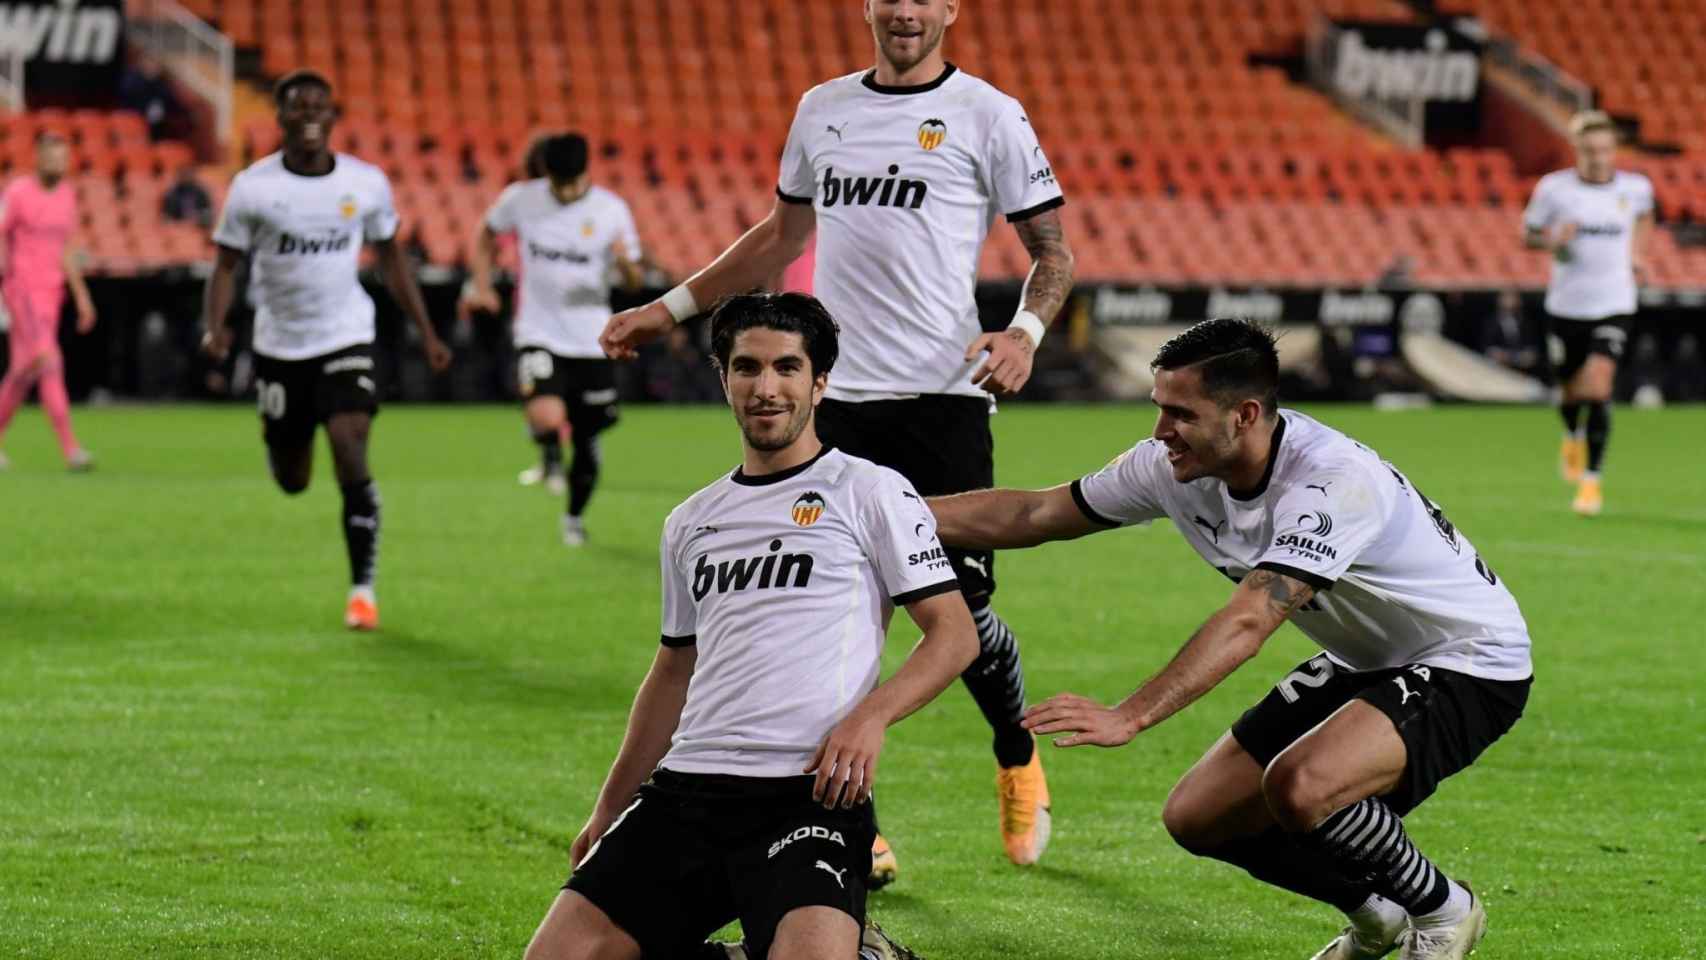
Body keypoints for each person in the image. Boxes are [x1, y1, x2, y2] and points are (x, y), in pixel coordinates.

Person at [599, 0, 1076, 878]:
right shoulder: (822, 109)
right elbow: (782, 237)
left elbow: (1052, 252)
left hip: (941, 400)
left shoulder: (989, 114)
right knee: (823, 613)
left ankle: (1015, 752)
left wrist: (1024, 336)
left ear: (949, 9)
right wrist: (666, 309)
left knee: (959, 615)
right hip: (837, 401)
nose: (904, 11)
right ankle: (854, 816)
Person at [927, 318, 1534, 960]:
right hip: (1368, 657)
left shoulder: (1332, 483)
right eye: (1159, 409)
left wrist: (1131, 714)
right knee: (1198, 816)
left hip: (1469, 659)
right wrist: (888, 510)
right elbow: (1035, 513)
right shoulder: (1170, 466)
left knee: (1302, 788)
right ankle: (1377, 915)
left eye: (1181, 414)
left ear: (1244, 414)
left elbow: (1250, 621)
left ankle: (1443, 910)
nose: (1161, 431)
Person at [524, 291, 976, 960]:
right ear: (723, 377)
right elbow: (673, 669)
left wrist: (869, 718)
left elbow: (953, 633)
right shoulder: (690, 520)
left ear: (820, 384)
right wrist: (610, 806)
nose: (766, 388)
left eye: (787, 368)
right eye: (747, 368)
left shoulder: (869, 490)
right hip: (688, 790)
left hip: (809, 794)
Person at [200, 69, 453, 630]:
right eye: (297, 105)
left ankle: (362, 589)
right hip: (279, 346)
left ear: (332, 117)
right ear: (282, 117)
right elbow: (225, 265)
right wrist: (215, 326)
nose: (309, 113)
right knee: (293, 479)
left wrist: (426, 331)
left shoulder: (364, 183)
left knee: (349, 439)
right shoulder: (253, 187)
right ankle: (283, 441)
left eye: (320, 105)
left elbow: (390, 259)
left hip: (345, 334)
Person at [463, 134, 642, 545]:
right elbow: (485, 233)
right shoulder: (522, 199)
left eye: (571, 183)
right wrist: (481, 284)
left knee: (587, 438)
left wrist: (622, 264)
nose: (564, 191)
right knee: (546, 416)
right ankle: (547, 454)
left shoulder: (611, 210)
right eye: (557, 182)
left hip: (592, 338)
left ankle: (574, 518)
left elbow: (633, 280)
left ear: (586, 173)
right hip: (538, 331)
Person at [1522, 109, 1652, 516]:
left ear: (1615, 150)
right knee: (1571, 391)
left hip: (1615, 302)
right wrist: (1551, 241)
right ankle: (1571, 432)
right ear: (1576, 149)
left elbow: (1645, 218)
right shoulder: (1554, 190)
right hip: (1567, 305)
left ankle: (1591, 483)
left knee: (1598, 387)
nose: (1598, 157)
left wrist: (1637, 255)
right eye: (1589, 150)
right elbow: (1526, 234)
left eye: (1605, 149)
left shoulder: (1636, 188)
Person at [0, 132, 97, 472]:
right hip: (22, 290)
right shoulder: (17, 193)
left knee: (22, 372)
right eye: (53, 158)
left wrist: (82, 297)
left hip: (51, 295)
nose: (59, 164)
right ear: (38, 159)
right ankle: (71, 450)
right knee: (49, 360)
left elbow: (67, 251)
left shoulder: (67, 197)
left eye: (63, 158)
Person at [162, 165, 214, 229]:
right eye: (184, 175)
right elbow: (167, 216)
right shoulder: (172, 194)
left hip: (197, 225)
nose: (187, 178)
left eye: (189, 175)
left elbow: (207, 210)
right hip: (179, 227)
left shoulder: (200, 192)